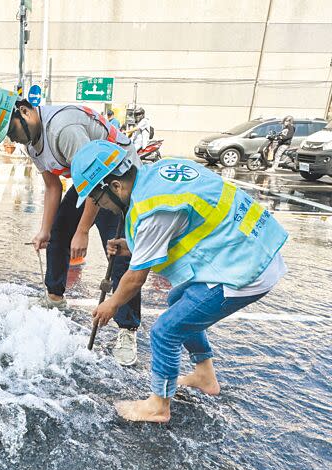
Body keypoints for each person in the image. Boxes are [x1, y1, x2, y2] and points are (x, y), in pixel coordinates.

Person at [71, 140, 288, 422]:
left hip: (246, 267)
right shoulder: (159, 174)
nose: (101, 207)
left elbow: (136, 278)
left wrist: (111, 304)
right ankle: (204, 375)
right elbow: (176, 229)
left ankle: (158, 405)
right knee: (177, 300)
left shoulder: (151, 210)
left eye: (97, 199)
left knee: (165, 331)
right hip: (248, 245)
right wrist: (131, 246)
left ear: (114, 186)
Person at [0, 89, 142, 366]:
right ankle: (55, 296)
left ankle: (127, 329)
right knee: (57, 234)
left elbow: (98, 179)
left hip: (115, 179)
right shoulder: (32, 143)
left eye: (11, 130)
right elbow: (53, 187)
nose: (13, 138)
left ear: (24, 111)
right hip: (90, 181)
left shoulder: (63, 130)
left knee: (117, 254)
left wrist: (82, 231)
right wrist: (45, 229)